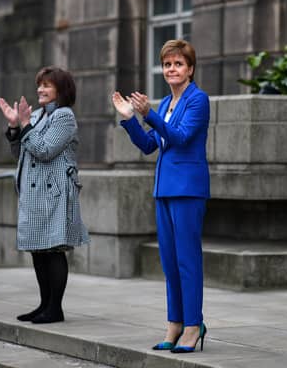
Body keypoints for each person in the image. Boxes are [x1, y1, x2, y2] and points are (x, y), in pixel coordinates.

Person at [112, 39, 209, 353]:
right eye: (167, 64)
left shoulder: (198, 100)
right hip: (165, 188)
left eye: (178, 64)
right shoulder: (168, 103)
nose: (172, 69)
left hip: (188, 189)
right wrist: (129, 118)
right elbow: (148, 145)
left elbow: (180, 138)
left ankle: (194, 326)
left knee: (187, 260)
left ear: (190, 69)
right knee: (169, 261)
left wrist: (149, 114)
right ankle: (175, 324)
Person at [0, 66, 89, 324]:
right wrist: (15, 128)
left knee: (53, 249)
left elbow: (45, 149)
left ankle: (55, 308)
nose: (40, 89)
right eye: (39, 84)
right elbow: (21, 154)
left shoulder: (64, 117)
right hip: (34, 192)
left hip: (55, 192)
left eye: (47, 85)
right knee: (38, 250)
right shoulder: (36, 115)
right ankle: (44, 304)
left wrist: (24, 124)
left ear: (61, 89)